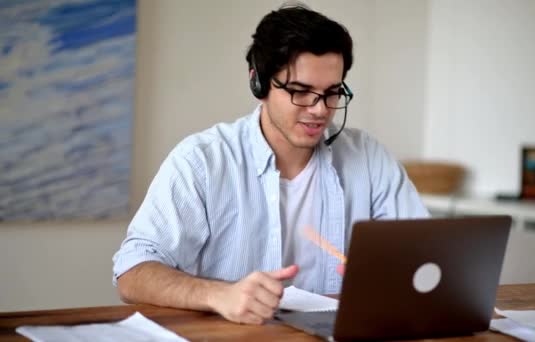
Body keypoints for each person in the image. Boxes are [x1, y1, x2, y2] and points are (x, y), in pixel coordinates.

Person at [112, 4, 428, 325]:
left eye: (332, 93)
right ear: (259, 83)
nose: (320, 110)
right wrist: (217, 294)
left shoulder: (368, 157)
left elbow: (424, 254)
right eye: (300, 92)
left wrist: (390, 272)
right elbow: (132, 271)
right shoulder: (202, 160)